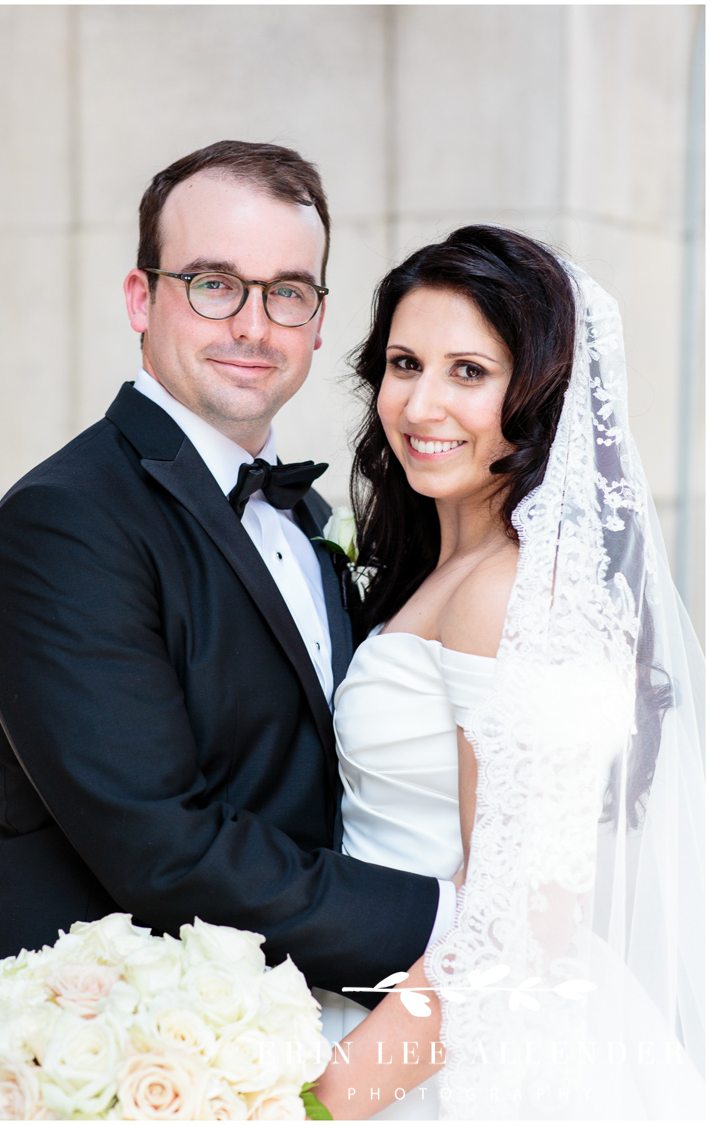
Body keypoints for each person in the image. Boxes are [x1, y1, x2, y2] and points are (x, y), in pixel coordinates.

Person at [0, 141, 450, 995]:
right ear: (140, 298)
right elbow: (166, 850)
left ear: (319, 319)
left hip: (303, 1035)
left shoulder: (309, 515)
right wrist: (453, 926)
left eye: (288, 292)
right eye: (214, 283)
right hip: (124, 1045)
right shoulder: (64, 523)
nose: (254, 326)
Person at [308, 227, 704, 1118]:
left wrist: (320, 1101)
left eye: (470, 372)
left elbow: (522, 922)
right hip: (400, 1012)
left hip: (453, 1052)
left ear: (542, 399)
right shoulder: (448, 570)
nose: (420, 404)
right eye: (405, 363)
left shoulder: (507, 592)